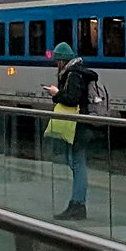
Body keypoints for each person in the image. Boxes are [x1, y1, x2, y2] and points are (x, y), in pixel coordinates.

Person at [44, 41, 98, 221]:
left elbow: (72, 98)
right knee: (75, 162)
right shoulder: (79, 72)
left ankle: (78, 205)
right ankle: (76, 203)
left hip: (79, 125)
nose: (56, 65)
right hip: (82, 124)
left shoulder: (74, 74)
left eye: (57, 61)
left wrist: (56, 93)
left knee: (77, 164)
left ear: (62, 61)